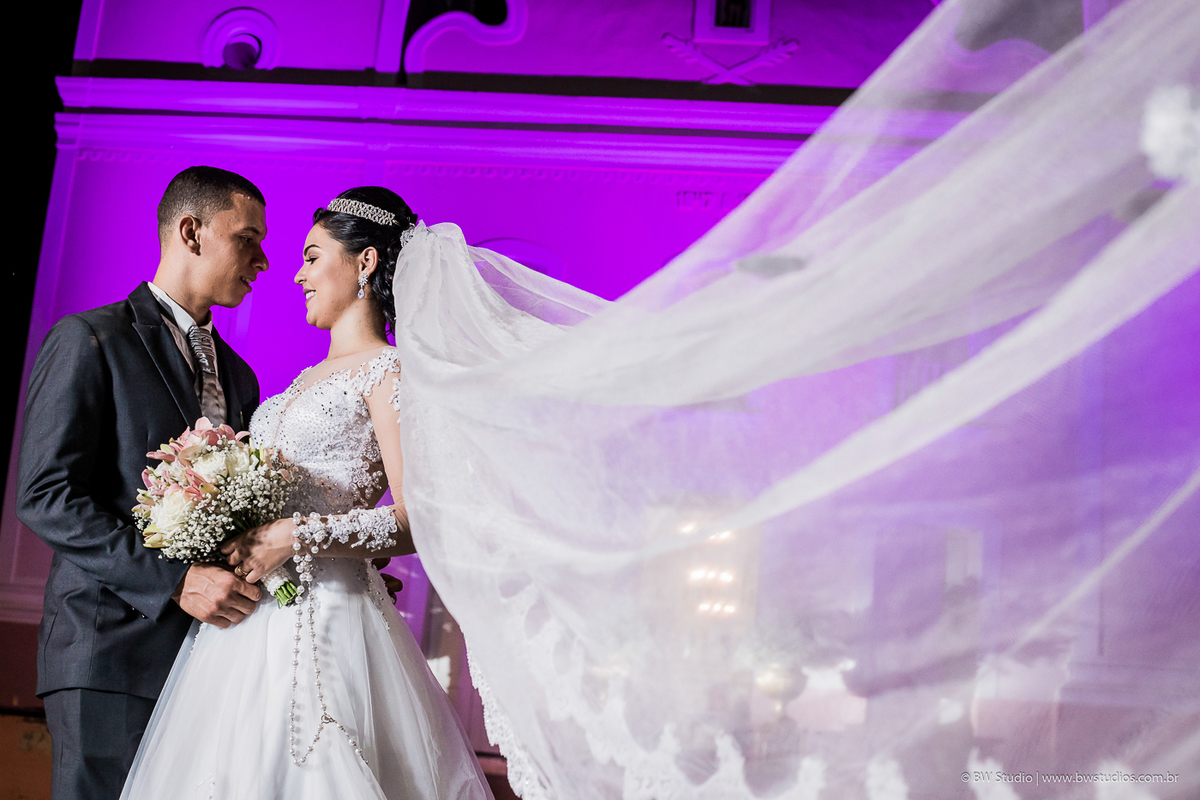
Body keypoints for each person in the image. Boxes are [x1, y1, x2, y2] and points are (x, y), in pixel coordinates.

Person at [119, 187, 493, 800]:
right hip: (250, 618)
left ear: (365, 262)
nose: (297, 275)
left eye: (313, 257)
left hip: (332, 618)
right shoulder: (297, 382)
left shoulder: (390, 372)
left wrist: (296, 536)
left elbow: (418, 517)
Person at [16, 165, 270, 800]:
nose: (263, 261)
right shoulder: (90, 339)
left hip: (205, 658)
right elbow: (46, 495)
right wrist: (176, 581)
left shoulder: (241, 377)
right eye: (247, 239)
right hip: (107, 649)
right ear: (191, 232)